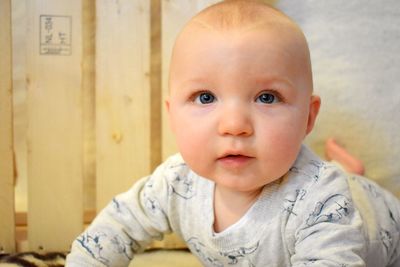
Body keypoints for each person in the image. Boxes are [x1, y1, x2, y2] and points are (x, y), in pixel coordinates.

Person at [66, 1, 400, 266]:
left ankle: (350, 175)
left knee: (349, 188)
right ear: (173, 116)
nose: (234, 125)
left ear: (308, 119)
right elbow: (115, 228)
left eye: (267, 97)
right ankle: (349, 168)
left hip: (383, 224)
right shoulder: (176, 183)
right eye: (205, 97)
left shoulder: (322, 201)